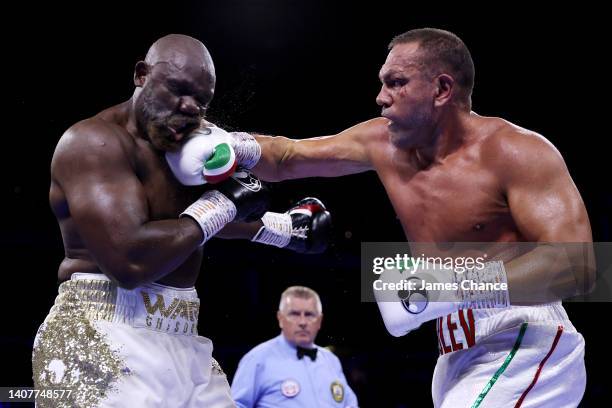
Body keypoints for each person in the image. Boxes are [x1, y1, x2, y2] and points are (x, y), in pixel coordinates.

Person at [210, 28, 594, 407]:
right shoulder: (382, 142)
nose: (381, 97)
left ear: (441, 90)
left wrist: (450, 287)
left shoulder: (514, 151)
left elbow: (578, 266)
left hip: (525, 339)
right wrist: (214, 141)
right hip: (455, 351)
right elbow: (287, 157)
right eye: (383, 83)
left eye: (396, 83)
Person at [33, 34, 331, 407]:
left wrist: (285, 230)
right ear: (142, 75)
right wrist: (224, 203)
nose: (189, 107)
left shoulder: (184, 144)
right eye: (177, 90)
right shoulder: (93, 143)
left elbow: (187, 221)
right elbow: (130, 260)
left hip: (182, 335)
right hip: (101, 333)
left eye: (201, 101)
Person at [231, 286, 359, 407]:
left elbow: (350, 404)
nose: (303, 322)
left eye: (309, 314)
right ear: (280, 318)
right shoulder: (257, 359)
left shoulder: (331, 361)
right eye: (294, 314)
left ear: (319, 321)